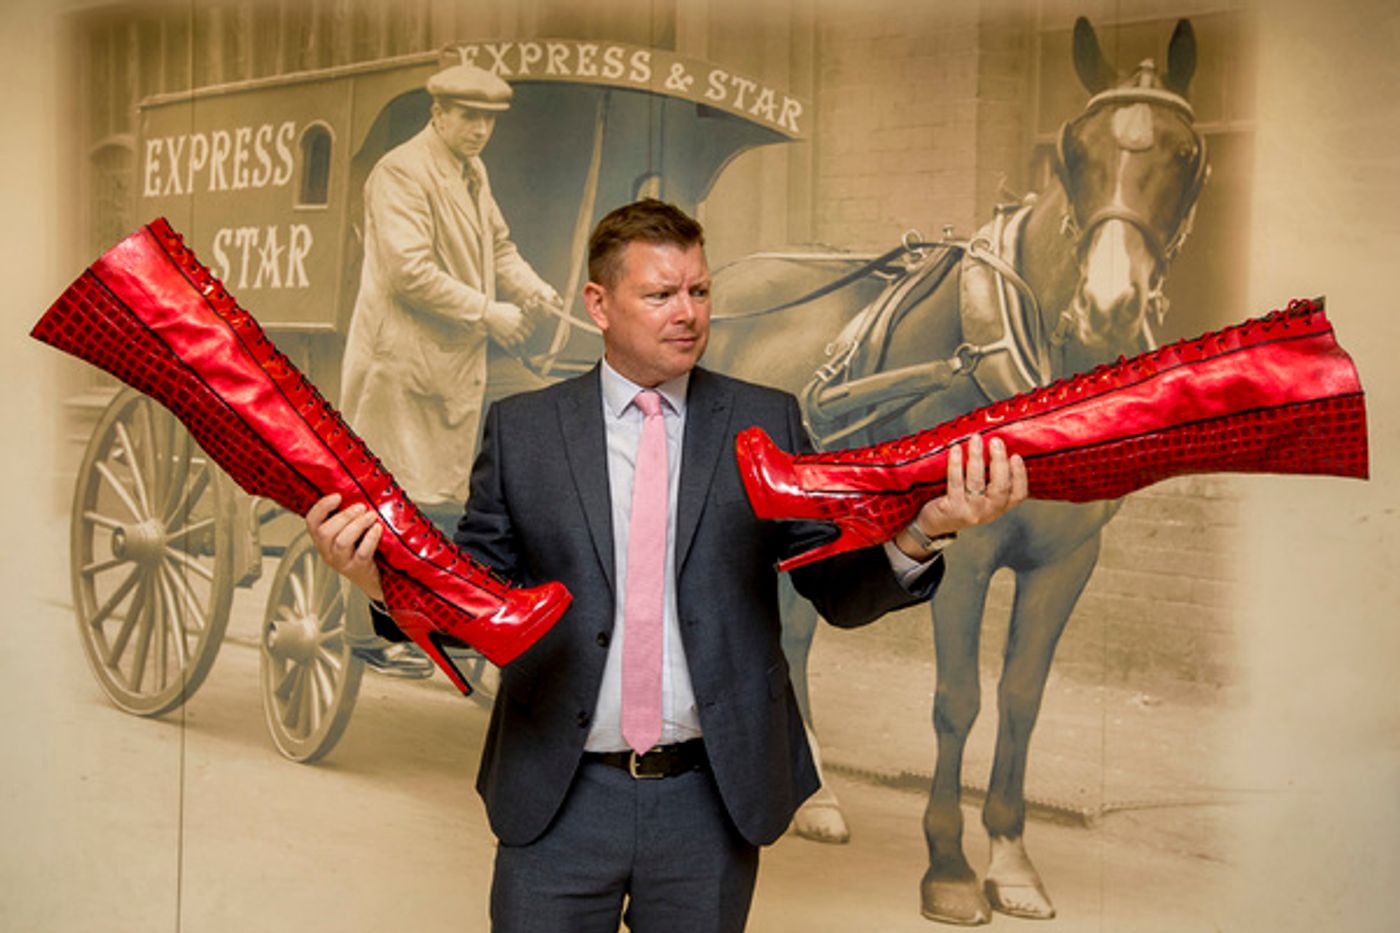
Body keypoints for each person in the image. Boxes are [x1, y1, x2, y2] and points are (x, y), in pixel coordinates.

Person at [308, 199, 1027, 932]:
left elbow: (836, 588)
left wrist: (925, 528)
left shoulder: (767, 421)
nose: (687, 313)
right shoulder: (524, 432)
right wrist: (378, 581)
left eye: (699, 291)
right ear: (599, 303)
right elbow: (478, 604)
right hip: (557, 800)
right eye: (660, 294)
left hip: (707, 807)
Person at [339, 61, 563, 674]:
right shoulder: (401, 173)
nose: (479, 130)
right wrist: (490, 311)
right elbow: (408, 272)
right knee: (393, 497)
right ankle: (372, 631)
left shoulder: (471, 171)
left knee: (526, 433)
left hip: (457, 357)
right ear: (438, 113)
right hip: (404, 361)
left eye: (488, 121)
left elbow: (498, 247)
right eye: (468, 117)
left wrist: (536, 290)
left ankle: (480, 596)